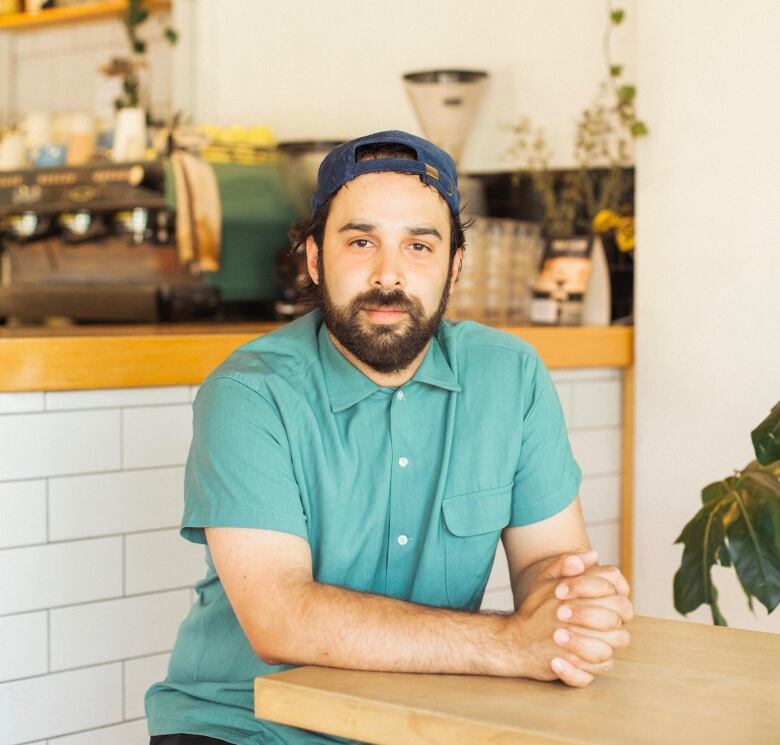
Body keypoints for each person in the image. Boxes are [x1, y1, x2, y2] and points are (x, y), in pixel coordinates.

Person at [145, 130, 633, 745]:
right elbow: (281, 619)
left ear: (454, 264)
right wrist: (510, 641)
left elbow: (544, 562)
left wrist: (571, 608)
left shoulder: (510, 375)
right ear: (315, 258)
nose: (389, 274)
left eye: (420, 246)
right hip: (246, 724)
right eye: (360, 241)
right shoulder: (249, 393)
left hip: (426, 719)